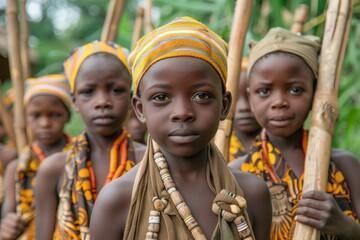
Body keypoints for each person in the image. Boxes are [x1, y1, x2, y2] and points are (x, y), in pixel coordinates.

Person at [90, 17, 272, 240]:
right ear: (139, 109)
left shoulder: (252, 193)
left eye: (201, 95)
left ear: (224, 106)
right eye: (161, 97)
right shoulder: (118, 200)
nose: (182, 112)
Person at [229, 27, 360, 239]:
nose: (279, 101)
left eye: (295, 90)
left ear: (315, 93)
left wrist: (346, 228)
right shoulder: (236, 174)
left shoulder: (345, 166)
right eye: (265, 91)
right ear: (250, 95)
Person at [34, 41, 145, 240]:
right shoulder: (53, 169)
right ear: (75, 101)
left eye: (116, 90)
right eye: (88, 92)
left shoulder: (150, 162)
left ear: (131, 99)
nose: (102, 101)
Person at [1, 74, 73, 239]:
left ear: (67, 116)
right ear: (26, 118)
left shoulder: (80, 159)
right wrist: (7, 226)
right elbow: (8, 216)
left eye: (54, 115)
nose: (45, 123)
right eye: (36, 115)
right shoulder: (17, 168)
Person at [229, 57, 261, 162]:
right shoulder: (213, 147)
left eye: (249, 97)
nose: (244, 107)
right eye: (234, 98)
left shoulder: (281, 144)